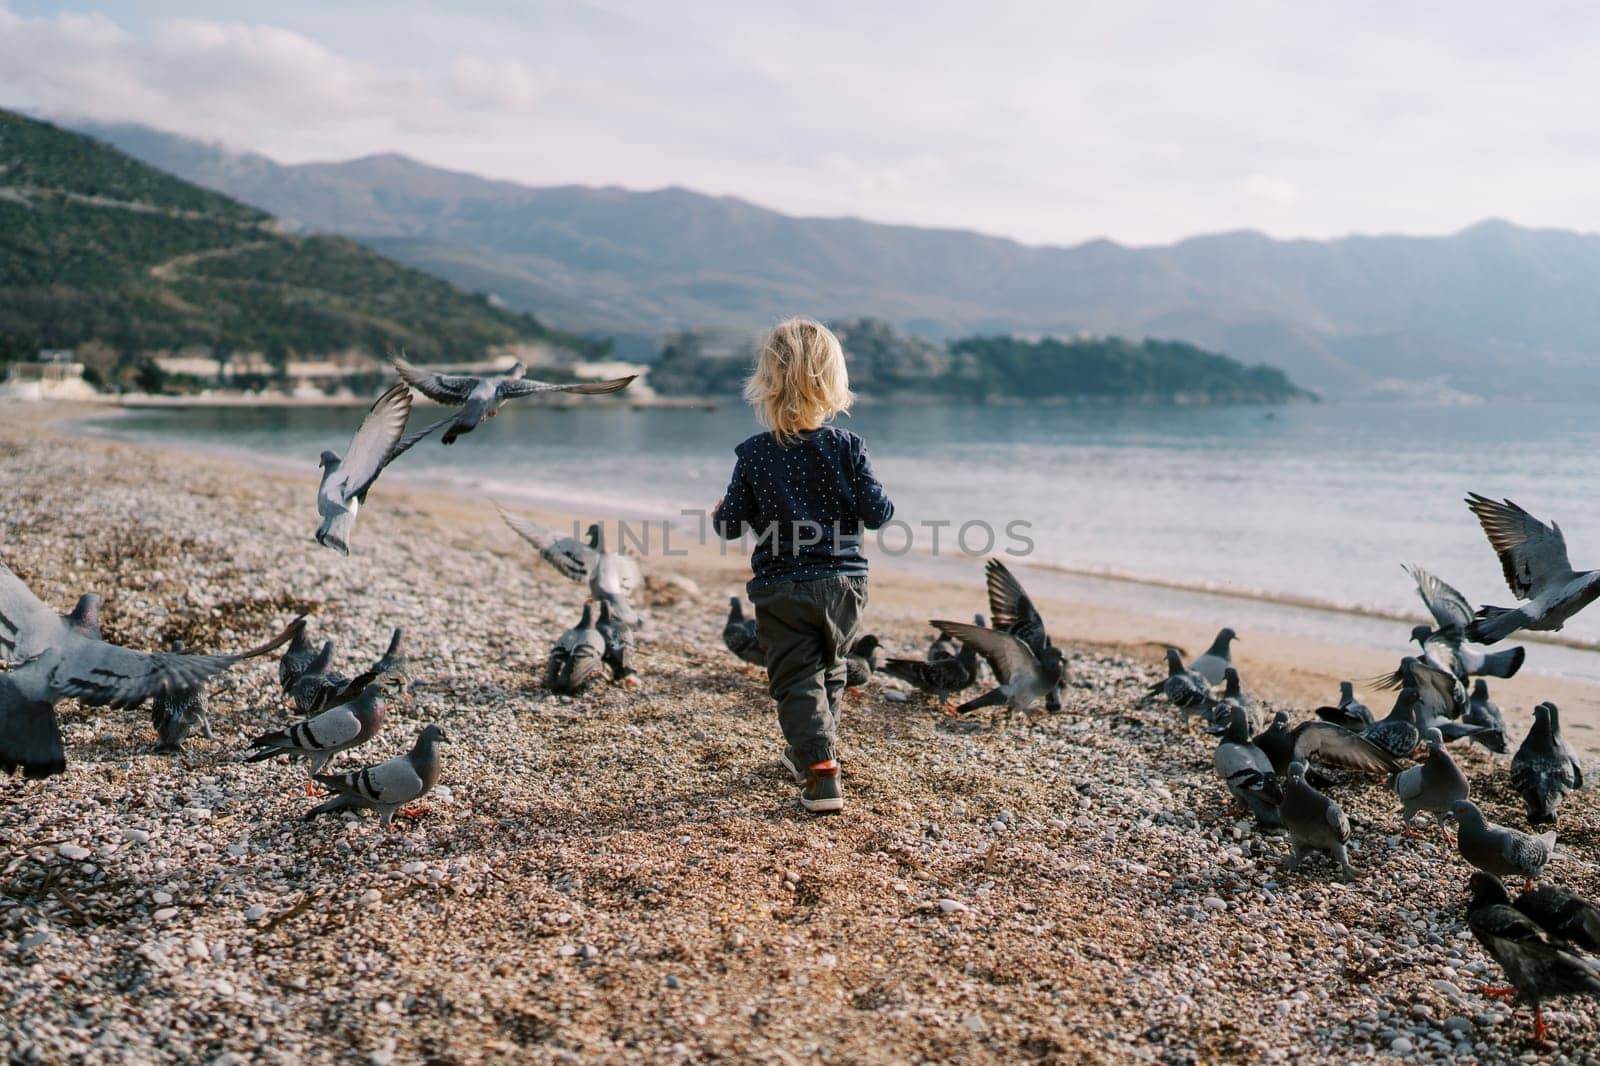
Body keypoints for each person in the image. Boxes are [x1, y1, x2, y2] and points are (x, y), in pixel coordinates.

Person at [712, 318, 895, 814]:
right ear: (832, 381)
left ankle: (820, 770)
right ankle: (810, 753)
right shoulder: (848, 447)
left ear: (766, 382)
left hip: (783, 587)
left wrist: (725, 508)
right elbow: (878, 515)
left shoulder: (753, 455)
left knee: (795, 679)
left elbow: (728, 526)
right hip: (844, 583)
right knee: (829, 669)